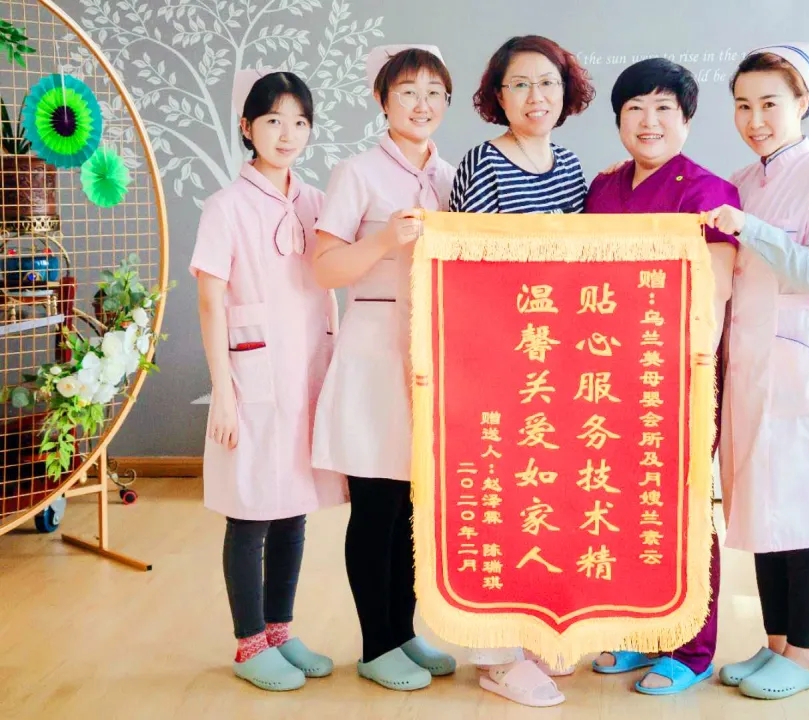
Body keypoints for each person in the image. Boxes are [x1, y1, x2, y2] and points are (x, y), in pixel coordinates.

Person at [702, 42, 809, 700]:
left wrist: (752, 229)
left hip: (802, 368)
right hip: (748, 367)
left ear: (804, 102)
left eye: (770, 104)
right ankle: (774, 644)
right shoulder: (740, 180)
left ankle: (803, 655)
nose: (755, 120)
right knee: (763, 507)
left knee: (807, 512)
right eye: (742, 105)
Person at [583, 57, 740, 696]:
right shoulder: (604, 189)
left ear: (687, 119)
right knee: (623, 502)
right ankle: (642, 629)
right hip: (608, 374)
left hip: (679, 377)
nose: (648, 122)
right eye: (634, 109)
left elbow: (715, 294)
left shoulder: (708, 193)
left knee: (683, 507)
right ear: (619, 120)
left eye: (663, 109)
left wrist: (689, 379)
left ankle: (692, 647)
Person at [448, 34, 594, 708]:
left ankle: (533, 632)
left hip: (555, 358)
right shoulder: (483, 163)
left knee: (542, 500)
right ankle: (495, 656)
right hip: (496, 355)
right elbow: (471, 266)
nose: (537, 97)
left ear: (566, 93)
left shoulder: (570, 166)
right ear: (497, 96)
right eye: (521, 84)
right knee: (496, 502)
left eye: (548, 83)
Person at [191, 69, 347, 692]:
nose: (288, 134)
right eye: (274, 120)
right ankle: (249, 642)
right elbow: (210, 301)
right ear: (247, 127)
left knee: (293, 508)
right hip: (251, 376)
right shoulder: (225, 207)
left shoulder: (316, 203)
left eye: (300, 122)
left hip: (305, 370)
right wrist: (224, 394)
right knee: (250, 509)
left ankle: (281, 631)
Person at [309, 45, 458, 692]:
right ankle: (375, 645)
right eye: (407, 92)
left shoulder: (452, 175)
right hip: (373, 352)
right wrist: (384, 239)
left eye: (434, 93)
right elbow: (324, 269)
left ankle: (403, 631)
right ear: (382, 100)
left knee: (416, 506)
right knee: (376, 504)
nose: (422, 105)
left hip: (435, 353)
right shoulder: (357, 173)